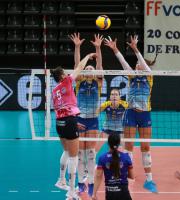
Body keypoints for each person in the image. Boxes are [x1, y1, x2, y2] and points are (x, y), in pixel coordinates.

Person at [104, 35, 158, 193]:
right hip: (131, 114)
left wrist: (136, 50)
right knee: (128, 147)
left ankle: (149, 179)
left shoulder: (149, 77)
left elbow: (144, 65)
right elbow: (123, 63)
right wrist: (115, 50)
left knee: (145, 147)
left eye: (138, 64)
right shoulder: (131, 76)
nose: (136, 66)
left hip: (145, 114)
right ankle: (128, 175)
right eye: (135, 64)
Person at [51, 53, 97, 199]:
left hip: (59, 122)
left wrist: (72, 120)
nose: (67, 73)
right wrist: (88, 55)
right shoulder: (67, 82)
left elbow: (60, 109)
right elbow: (80, 67)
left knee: (66, 151)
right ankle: (71, 191)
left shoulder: (54, 90)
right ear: (62, 76)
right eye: (65, 72)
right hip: (69, 121)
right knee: (73, 156)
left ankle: (61, 179)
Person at [69, 32, 104, 197]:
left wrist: (98, 50)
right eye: (87, 68)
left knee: (91, 153)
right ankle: (80, 182)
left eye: (92, 68)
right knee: (80, 152)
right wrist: (77, 47)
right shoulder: (79, 81)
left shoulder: (99, 82)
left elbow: (100, 68)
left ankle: (90, 182)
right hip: (79, 119)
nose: (89, 69)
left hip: (93, 121)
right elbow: (77, 65)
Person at [92, 133, 134, 200]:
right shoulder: (126, 157)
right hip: (124, 192)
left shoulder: (102, 158)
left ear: (108, 143)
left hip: (110, 193)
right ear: (119, 143)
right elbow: (132, 176)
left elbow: (98, 176)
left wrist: (94, 194)